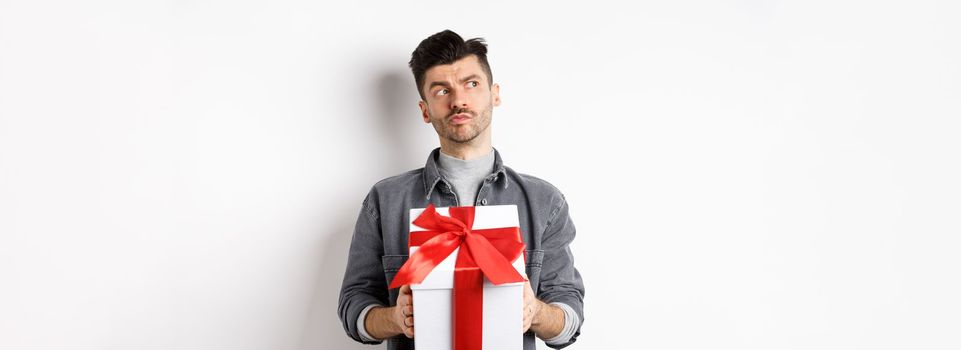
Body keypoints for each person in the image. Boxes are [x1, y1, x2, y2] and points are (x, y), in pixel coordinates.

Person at [337, 29, 585, 350]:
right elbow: (353, 307)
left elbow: (569, 315)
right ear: (425, 110)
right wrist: (396, 318)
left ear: (494, 94)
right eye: (441, 91)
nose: (459, 101)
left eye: (471, 84)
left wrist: (534, 312)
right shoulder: (385, 200)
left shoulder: (543, 201)